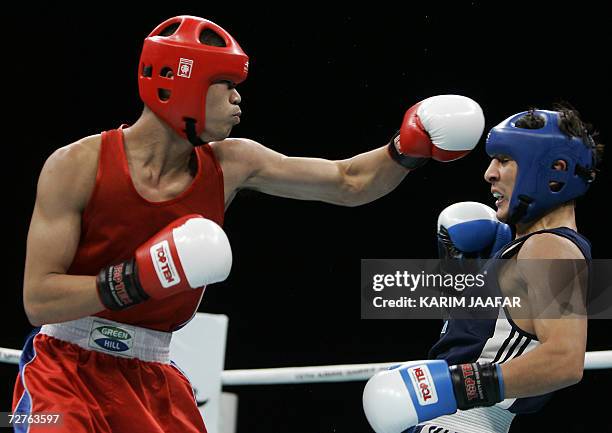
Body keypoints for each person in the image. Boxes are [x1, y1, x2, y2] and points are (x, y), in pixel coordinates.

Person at [12, 15, 484, 433]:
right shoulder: (76, 165)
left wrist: (405, 149)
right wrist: (135, 279)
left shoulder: (232, 163)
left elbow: (348, 181)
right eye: (227, 85)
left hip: (152, 374)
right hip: (62, 371)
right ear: (185, 82)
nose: (238, 100)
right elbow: (38, 299)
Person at [363, 105, 603, 433]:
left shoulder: (553, 249)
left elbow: (565, 360)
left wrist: (456, 385)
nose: (489, 173)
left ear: (555, 169)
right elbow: (478, 340)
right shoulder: (520, 248)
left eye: (504, 160)